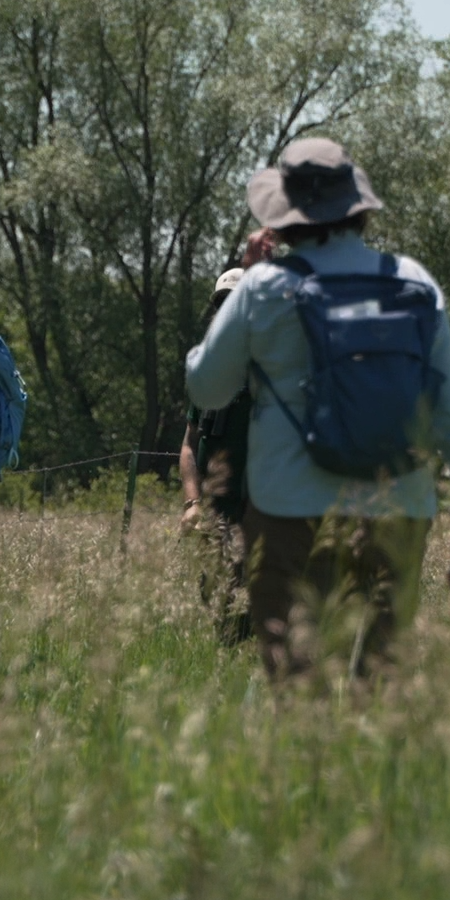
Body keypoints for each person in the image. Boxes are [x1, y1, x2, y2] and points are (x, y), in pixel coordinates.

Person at [186, 138, 450, 681]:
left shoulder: (263, 287)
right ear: (357, 208)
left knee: (297, 687)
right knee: (378, 685)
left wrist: (247, 282)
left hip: (291, 510)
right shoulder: (413, 282)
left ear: (284, 216)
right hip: (398, 504)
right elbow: (449, 409)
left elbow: (206, 387)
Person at [179, 264, 257, 644]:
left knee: (250, 605)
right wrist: (192, 503)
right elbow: (189, 444)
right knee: (214, 596)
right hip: (213, 514)